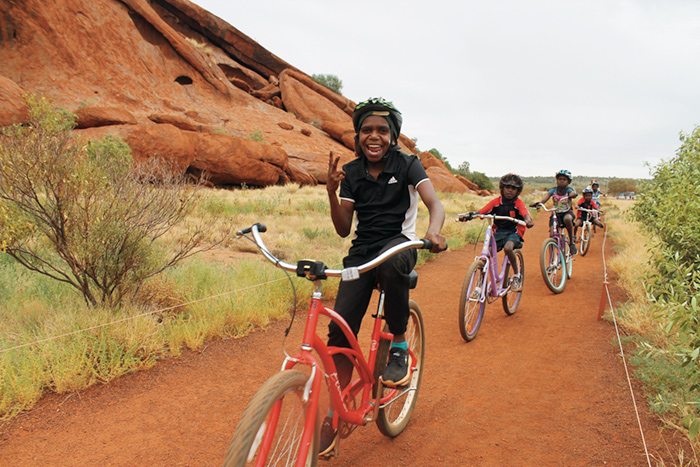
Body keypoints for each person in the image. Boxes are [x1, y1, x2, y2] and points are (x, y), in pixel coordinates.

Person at [322, 97, 447, 457]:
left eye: (381, 130)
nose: (373, 136)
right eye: (366, 130)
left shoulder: (407, 164)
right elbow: (344, 229)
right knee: (339, 329)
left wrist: (434, 231)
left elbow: (434, 204)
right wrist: (331, 192)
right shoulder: (351, 172)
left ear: (393, 136)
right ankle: (335, 413)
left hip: (399, 244)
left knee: (393, 267)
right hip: (362, 252)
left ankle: (399, 345)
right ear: (358, 136)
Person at [459, 173, 533, 291]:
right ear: (501, 188)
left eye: (513, 188)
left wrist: (528, 221)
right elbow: (482, 211)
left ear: (518, 191)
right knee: (486, 255)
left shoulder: (518, 203)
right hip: (498, 233)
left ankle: (517, 275)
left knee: (508, 248)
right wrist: (469, 216)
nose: (510, 190)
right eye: (507, 187)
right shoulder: (496, 202)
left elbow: (525, 213)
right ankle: (479, 286)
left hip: (514, 232)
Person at [530, 169, 578, 255]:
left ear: (568, 181)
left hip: (567, 212)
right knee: (552, 234)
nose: (562, 181)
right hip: (556, 214)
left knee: (567, 219)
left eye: (564, 179)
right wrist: (537, 204)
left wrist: (572, 195)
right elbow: (544, 199)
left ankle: (571, 243)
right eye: (560, 179)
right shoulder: (553, 190)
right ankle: (552, 258)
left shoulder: (569, 190)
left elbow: (573, 193)